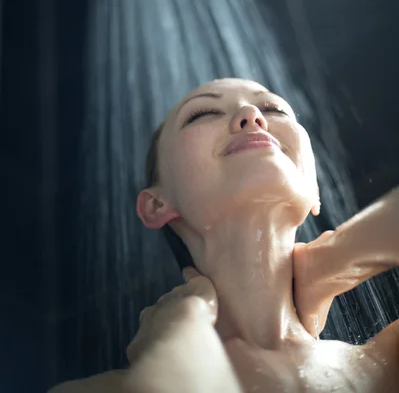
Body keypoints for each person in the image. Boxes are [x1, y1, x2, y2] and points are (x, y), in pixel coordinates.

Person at [51, 78, 399, 392]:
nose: (251, 114)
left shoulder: (386, 364)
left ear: (313, 187)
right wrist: (181, 331)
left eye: (274, 108)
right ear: (156, 205)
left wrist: (336, 259)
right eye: (203, 113)